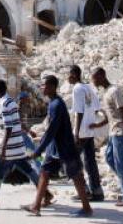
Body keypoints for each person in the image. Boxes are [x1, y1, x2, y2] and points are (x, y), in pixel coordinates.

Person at [22, 75, 93, 217]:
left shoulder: (56, 105)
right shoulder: (53, 103)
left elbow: (51, 130)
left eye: (46, 86)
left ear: (53, 87)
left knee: (75, 175)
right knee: (44, 172)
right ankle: (36, 206)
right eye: (42, 85)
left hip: (65, 147)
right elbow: (51, 131)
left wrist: (38, 151)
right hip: (54, 148)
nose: (43, 88)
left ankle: (86, 208)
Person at [0, 80, 47, 210]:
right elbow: (16, 123)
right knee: (28, 169)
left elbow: (8, 127)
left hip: (9, 147)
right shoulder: (11, 102)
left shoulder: (3, 104)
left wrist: (3, 149)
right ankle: (46, 193)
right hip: (18, 145)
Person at [90, 67, 123, 206]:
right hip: (113, 131)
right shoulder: (106, 92)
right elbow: (110, 116)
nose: (93, 81)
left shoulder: (115, 91)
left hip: (120, 131)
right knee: (109, 158)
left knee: (121, 165)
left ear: (102, 76)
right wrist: (98, 125)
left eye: (94, 78)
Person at [68, 65, 104, 201]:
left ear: (74, 75)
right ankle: (97, 191)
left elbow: (79, 111)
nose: (68, 77)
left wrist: (77, 132)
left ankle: (84, 190)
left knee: (73, 161)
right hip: (89, 130)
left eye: (69, 74)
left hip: (82, 131)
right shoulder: (88, 87)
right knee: (90, 162)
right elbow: (95, 108)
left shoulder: (77, 89)